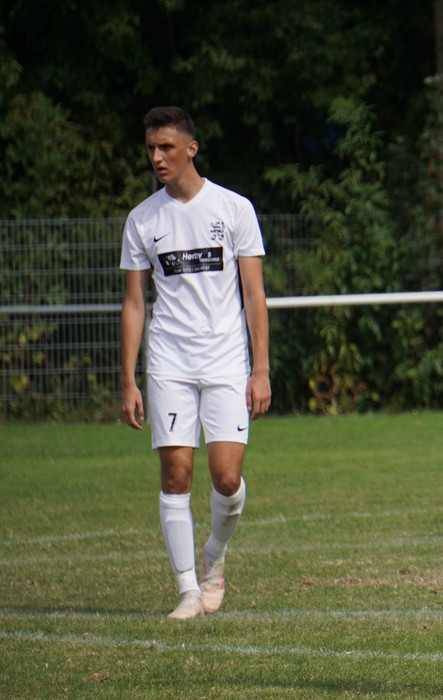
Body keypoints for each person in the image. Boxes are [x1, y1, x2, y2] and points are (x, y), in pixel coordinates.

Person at [120, 106, 271, 620]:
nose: (156, 157)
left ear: (191, 149)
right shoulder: (142, 219)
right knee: (176, 473)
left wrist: (261, 369)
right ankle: (188, 590)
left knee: (227, 479)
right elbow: (135, 303)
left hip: (227, 359)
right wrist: (128, 379)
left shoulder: (234, 209)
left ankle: (214, 556)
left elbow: (254, 295)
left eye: (165, 147)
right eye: (149, 149)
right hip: (168, 362)